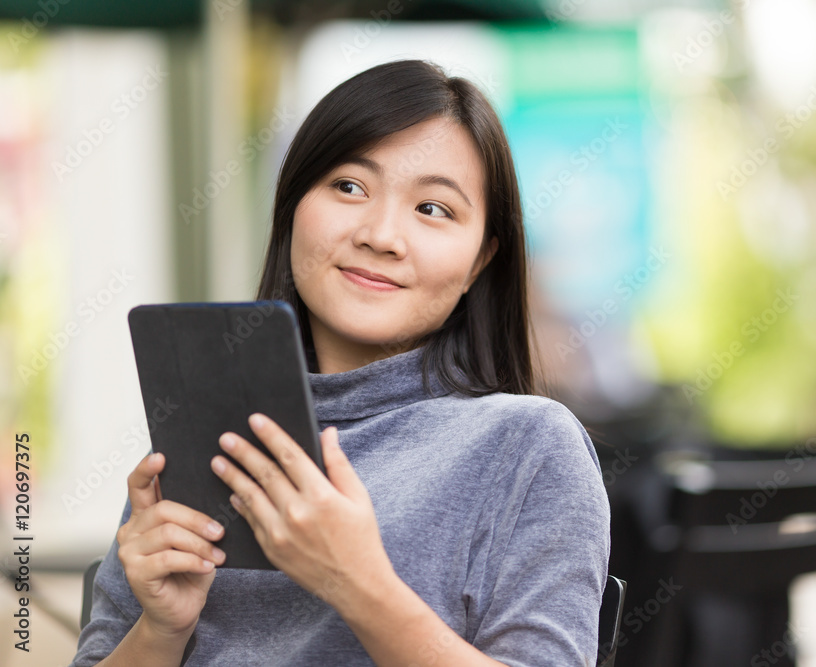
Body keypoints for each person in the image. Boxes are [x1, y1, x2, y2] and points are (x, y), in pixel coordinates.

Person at [70, 59, 611, 667]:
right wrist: (161, 630)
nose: (381, 234)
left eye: (433, 209)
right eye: (350, 186)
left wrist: (355, 582)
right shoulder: (207, 427)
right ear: (293, 204)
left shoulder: (528, 446)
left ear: (481, 261)